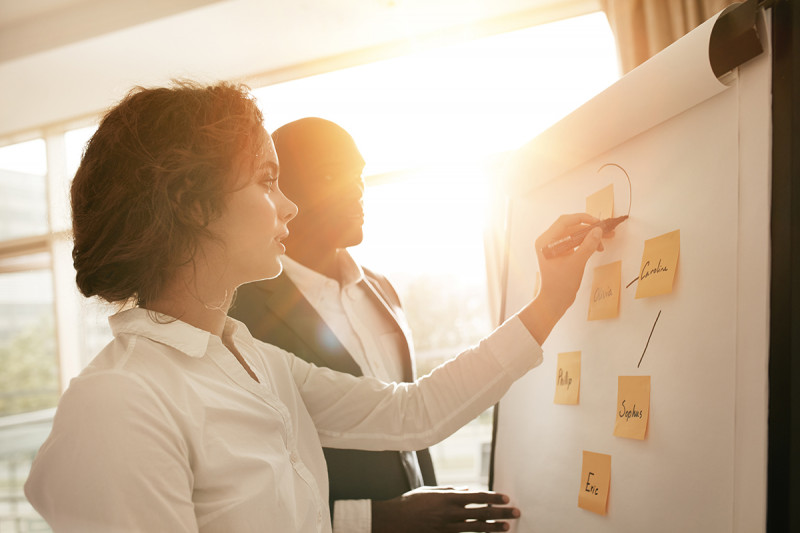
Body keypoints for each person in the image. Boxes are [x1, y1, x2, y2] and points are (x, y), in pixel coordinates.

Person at [23, 80, 607, 533]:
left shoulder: (259, 364)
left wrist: (549, 298)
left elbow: (414, 414)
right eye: (267, 180)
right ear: (192, 205)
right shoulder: (120, 403)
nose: (290, 207)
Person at [229, 117, 509, 533]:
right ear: (280, 191)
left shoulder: (381, 289)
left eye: (357, 174)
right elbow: (250, 481)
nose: (356, 189)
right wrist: (381, 519)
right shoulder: (241, 312)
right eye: (329, 174)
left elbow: (410, 411)